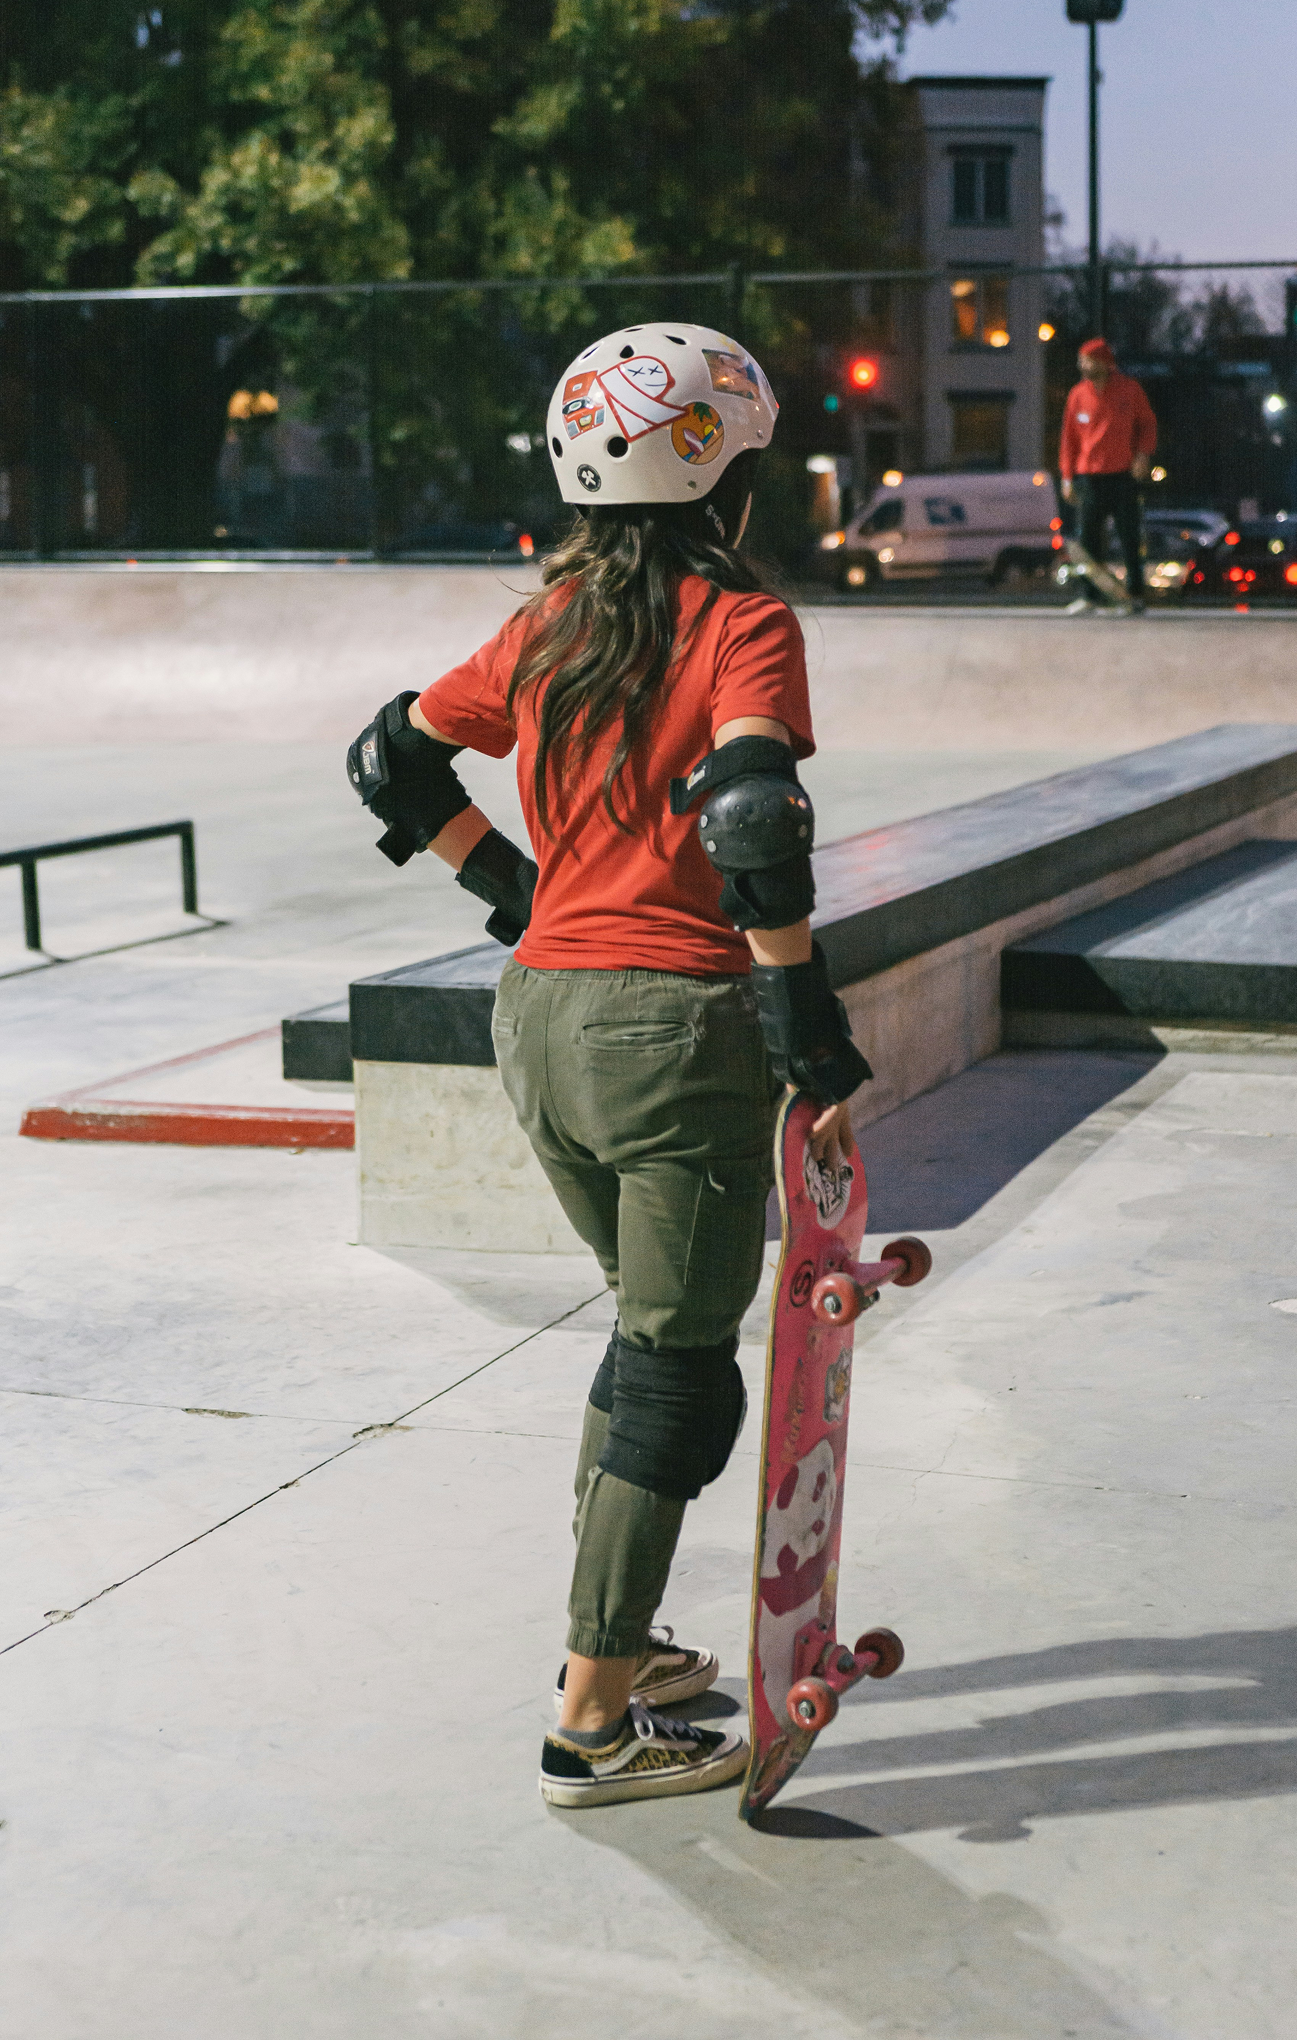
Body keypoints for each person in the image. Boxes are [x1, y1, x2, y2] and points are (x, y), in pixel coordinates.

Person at [345, 323, 872, 1810]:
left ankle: (619, 1645)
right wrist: (803, 1024)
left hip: (540, 1025)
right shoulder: (737, 622)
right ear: (724, 471)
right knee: (679, 1376)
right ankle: (591, 1721)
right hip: (675, 1031)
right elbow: (753, 825)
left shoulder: (548, 623)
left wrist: (510, 892)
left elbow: (388, 760)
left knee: (649, 1340)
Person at [1058, 336, 1158, 614]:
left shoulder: (1130, 390)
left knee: (1129, 536)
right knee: (1089, 539)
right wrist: (1067, 477)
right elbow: (1069, 439)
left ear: (1103, 362)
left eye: (1087, 360)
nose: (1082, 366)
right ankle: (1091, 595)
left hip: (1123, 475)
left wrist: (1143, 454)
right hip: (1089, 477)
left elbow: (1148, 425)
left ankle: (1135, 595)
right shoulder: (1078, 395)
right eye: (1081, 361)